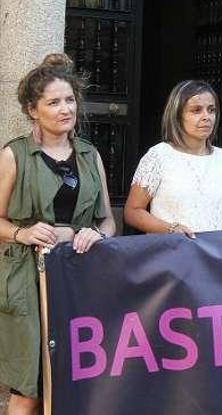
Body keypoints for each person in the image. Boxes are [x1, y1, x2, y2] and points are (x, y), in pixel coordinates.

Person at [0, 54, 115, 415]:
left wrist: (97, 234)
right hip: (26, 282)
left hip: (79, 279)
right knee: (30, 386)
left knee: (74, 382)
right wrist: (22, 232)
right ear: (33, 110)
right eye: (53, 102)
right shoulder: (14, 155)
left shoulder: (89, 155)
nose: (65, 109)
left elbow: (108, 220)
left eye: (69, 100)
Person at [124, 80, 222, 236]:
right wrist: (170, 228)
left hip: (214, 256)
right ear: (177, 116)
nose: (206, 117)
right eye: (196, 110)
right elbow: (132, 212)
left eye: (211, 110)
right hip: (170, 254)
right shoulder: (158, 156)